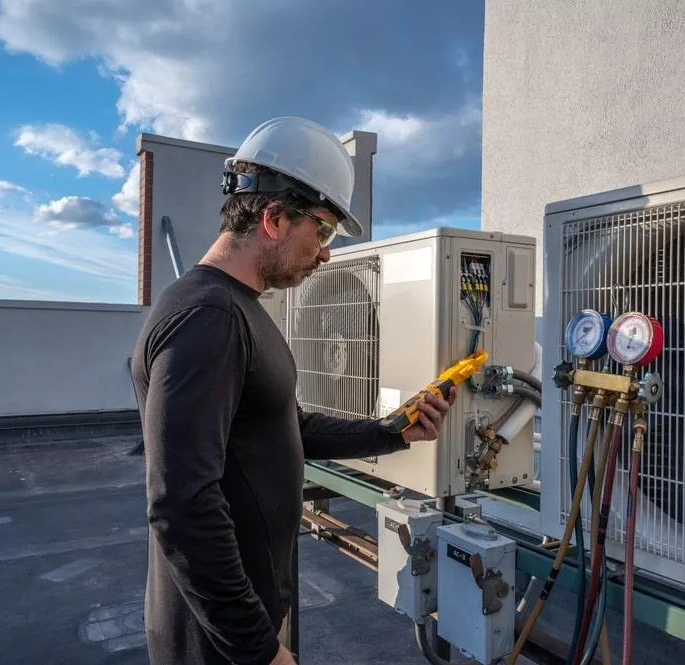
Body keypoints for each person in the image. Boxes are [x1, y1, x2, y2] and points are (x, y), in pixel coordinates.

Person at [130, 116, 456, 665]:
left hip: (238, 629)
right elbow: (181, 505)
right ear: (275, 218)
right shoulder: (208, 317)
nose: (327, 253)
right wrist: (259, 650)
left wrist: (393, 430)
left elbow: (287, 426)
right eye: (324, 231)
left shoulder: (238, 310)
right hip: (216, 645)